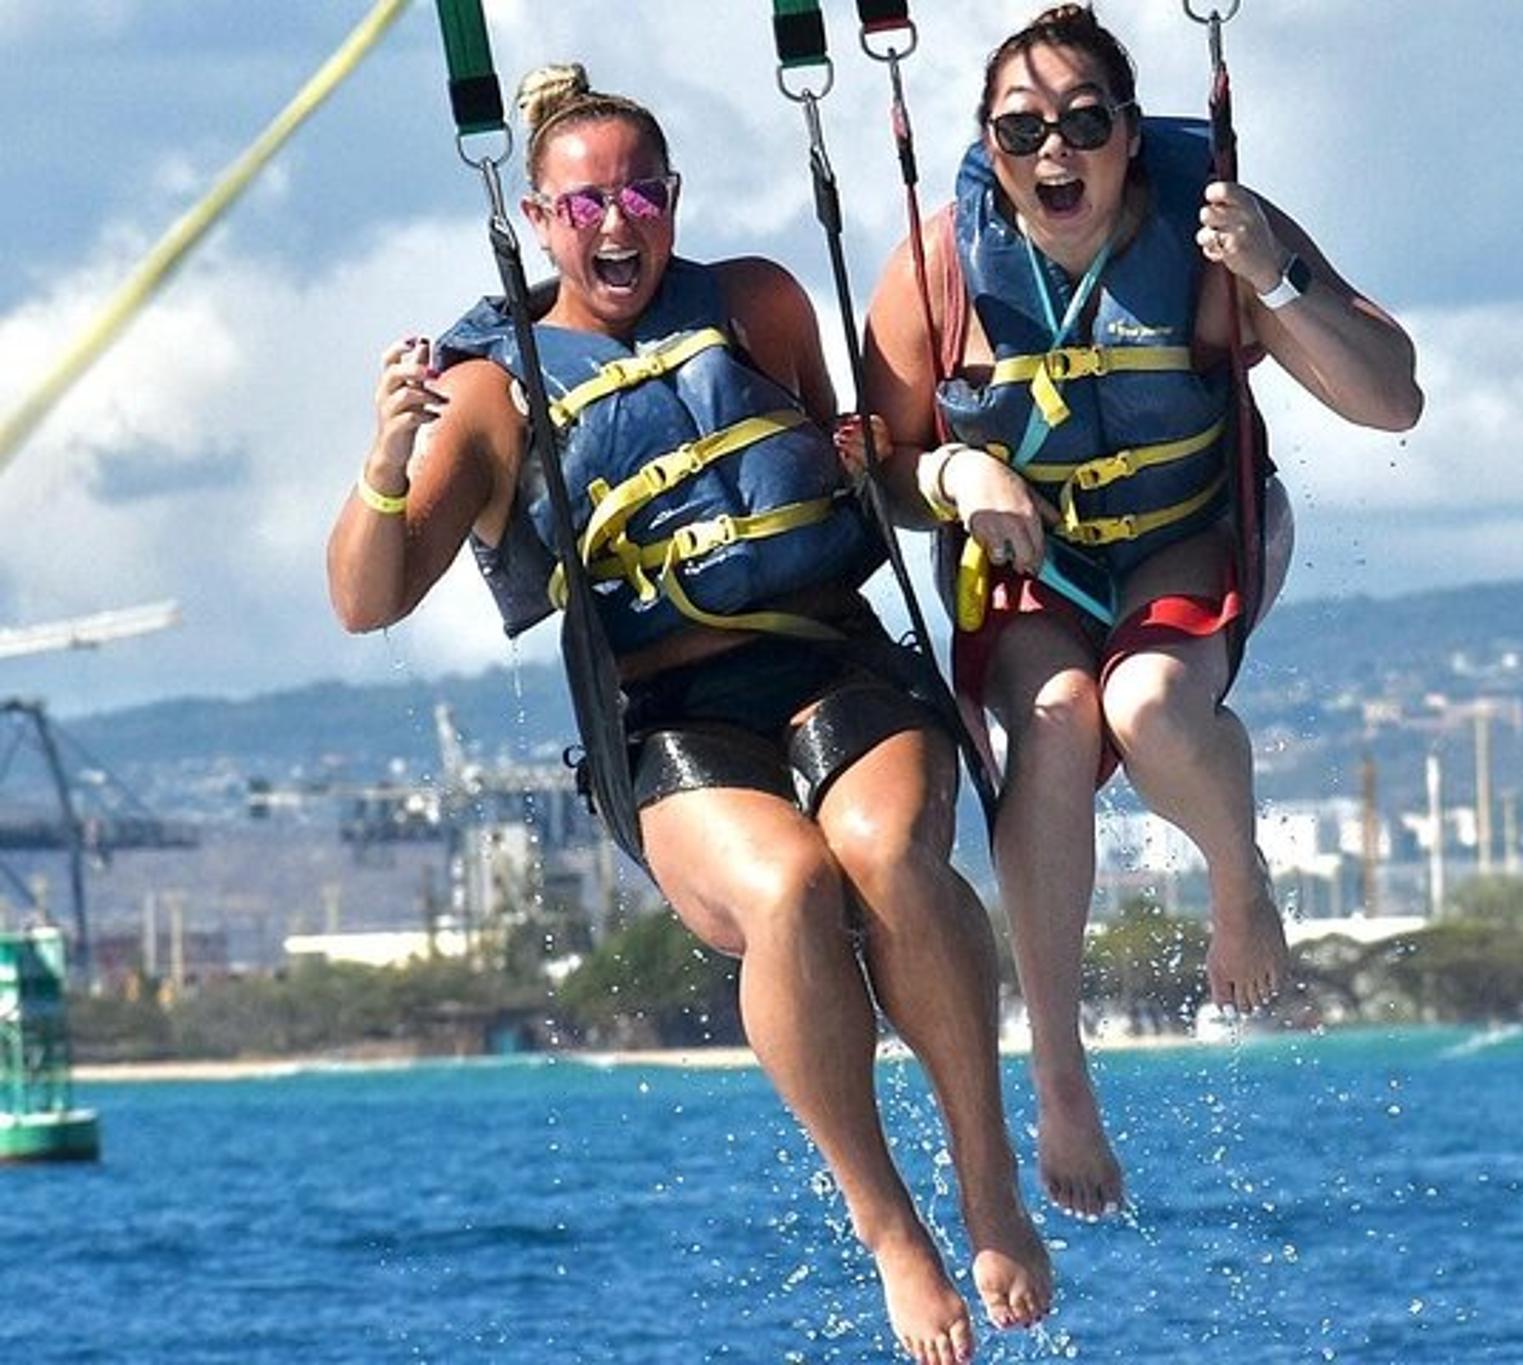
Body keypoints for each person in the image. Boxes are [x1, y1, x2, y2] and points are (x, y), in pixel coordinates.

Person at [326, 63, 1049, 1365]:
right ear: (539, 221)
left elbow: (867, 472)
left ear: (672, 199)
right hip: (668, 720)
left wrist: (950, 472)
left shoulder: (759, 304)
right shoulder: (494, 391)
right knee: (790, 887)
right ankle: (891, 1228)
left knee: (886, 855)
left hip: (835, 662)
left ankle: (987, 1177)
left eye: (641, 196)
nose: (618, 224)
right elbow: (367, 600)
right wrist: (386, 464)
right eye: (584, 203)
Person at [861, 4, 1422, 1219]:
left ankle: (1236, 880)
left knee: (1151, 703)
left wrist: (1272, 275)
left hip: (1190, 533)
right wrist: (954, 472)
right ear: (988, 144)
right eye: (1021, 131)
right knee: (1056, 719)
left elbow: (1391, 401)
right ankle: (1060, 1080)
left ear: (1128, 134)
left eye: (1083, 123)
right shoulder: (937, 271)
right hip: (1036, 565)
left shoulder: (1215, 229)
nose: (1053, 152)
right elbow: (874, 469)